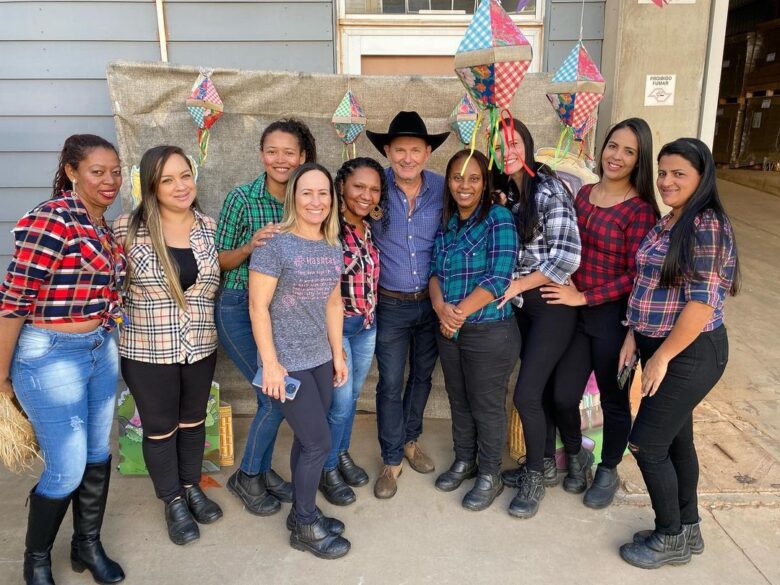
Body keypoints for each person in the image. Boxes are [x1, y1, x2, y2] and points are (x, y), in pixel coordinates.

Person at [0, 134, 126, 584]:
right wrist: (1, 375)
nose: (110, 181)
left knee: (97, 453)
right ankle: (36, 560)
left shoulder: (101, 224)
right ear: (72, 171)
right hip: (50, 356)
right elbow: (13, 302)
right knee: (67, 467)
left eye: (115, 171)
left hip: (99, 348)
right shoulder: (51, 220)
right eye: (98, 171)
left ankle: (86, 545)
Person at [617, 138, 739, 569]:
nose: (667, 181)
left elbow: (702, 304)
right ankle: (688, 527)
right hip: (660, 345)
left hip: (690, 352)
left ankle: (669, 535)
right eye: (663, 172)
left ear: (702, 177)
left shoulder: (707, 225)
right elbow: (648, 285)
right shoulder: (671, 219)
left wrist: (662, 357)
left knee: (647, 444)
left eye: (678, 174)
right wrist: (634, 335)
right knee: (676, 440)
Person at [539, 118, 659, 508]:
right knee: (562, 395)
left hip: (613, 319)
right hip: (575, 315)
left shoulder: (640, 211)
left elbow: (637, 274)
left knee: (613, 400)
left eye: (629, 151)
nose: (617, 156)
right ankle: (577, 456)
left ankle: (608, 468)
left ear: (639, 160)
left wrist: (584, 297)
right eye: (612, 146)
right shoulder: (583, 194)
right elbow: (564, 244)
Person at [114, 145, 223, 546]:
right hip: (147, 349)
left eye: (185, 176)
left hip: (200, 344)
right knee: (160, 429)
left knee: (193, 421)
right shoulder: (127, 229)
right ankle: (172, 500)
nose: (180, 186)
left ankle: (191, 487)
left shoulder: (208, 226)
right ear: (151, 187)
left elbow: (218, 273)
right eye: (167, 180)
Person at [249, 163, 350, 559]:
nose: (315, 201)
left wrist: (337, 354)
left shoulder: (332, 244)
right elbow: (258, 307)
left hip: (319, 357)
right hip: (287, 361)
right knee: (318, 443)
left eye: (323, 193)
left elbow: (333, 303)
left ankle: (299, 513)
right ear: (293, 196)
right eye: (307, 192)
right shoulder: (275, 244)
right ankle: (306, 525)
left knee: (309, 440)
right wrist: (270, 364)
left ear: (332, 199)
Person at [216, 119, 317, 516]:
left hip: (281, 313)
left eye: (289, 152)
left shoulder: (305, 200)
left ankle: (260, 471)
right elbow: (217, 261)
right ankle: (247, 476)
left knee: (276, 394)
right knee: (273, 397)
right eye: (272, 151)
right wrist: (249, 246)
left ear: (302, 157)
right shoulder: (242, 199)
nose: (280, 159)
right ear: (261, 155)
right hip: (239, 307)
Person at [496, 118, 581, 519]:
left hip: (550, 305)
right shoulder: (512, 195)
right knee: (540, 393)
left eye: (513, 143)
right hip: (524, 308)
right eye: (499, 147)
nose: (507, 151)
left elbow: (566, 257)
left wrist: (518, 284)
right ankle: (544, 463)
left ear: (527, 146)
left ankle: (533, 477)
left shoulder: (550, 190)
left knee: (526, 395)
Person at [365, 111, 449, 499]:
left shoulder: (443, 188)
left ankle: (411, 440)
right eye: (400, 150)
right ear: (387, 150)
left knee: (422, 376)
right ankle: (392, 457)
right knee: (390, 381)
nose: (407, 158)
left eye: (416, 150)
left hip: (431, 302)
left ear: (428, 152)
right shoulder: (373, 188)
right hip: (391, 304)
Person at [430, 150, 520, 511]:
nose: (464, 185)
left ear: (484, 184)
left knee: (486, 404)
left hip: (488, 331)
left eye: (473, 178)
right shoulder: (448, 223)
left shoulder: (499, 218)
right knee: (459, 399)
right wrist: (440, 308)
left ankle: (489, 474)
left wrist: (457, 314)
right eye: (457, 177)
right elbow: (434, 273)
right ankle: (464, 460)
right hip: (450, 329)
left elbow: (499, 277)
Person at [318, 157, 386, 506]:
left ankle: (341, 452)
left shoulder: (368, 228)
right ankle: (326, 468)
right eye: (359, 186)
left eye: (374, 189)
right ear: (342, 185)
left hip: (366, 326)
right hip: (337, 329)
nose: (366, 195)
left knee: (353, 398)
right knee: (340, 404)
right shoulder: (327, 228)